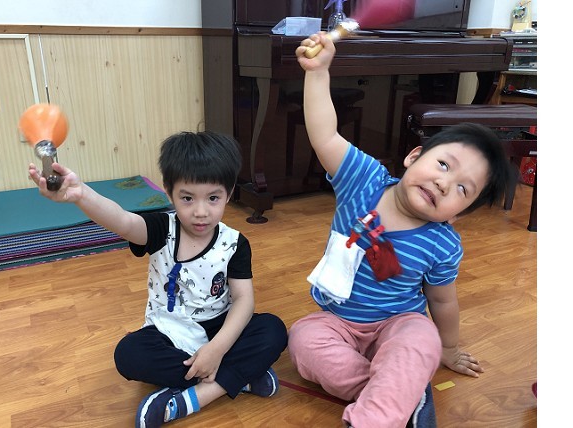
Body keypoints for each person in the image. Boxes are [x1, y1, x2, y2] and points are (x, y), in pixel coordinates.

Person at [289, 33, 517, 427]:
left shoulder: (443, 243)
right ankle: (399, 396)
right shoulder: (363, 180)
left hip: (397, 323)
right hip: (337, 321)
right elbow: (325, 135)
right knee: (303, 340)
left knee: (421, 339)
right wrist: (318, 72)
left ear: (459, 214)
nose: (444, 183)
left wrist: (448, 348)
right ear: (414, 156)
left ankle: (375, 415)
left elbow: (442, 301)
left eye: (462, 189)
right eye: (443, 165)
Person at [28, 131, 288, 428]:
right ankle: (238, 377)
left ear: (228, 194)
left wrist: (216, 349)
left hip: (220, 328)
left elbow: (243, 300)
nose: (200, 212)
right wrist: (82, 194)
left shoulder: (235, 243)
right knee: (129, 355)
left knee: (273, 330)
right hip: (170, 330)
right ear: (169, 192)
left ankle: (196, 396)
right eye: (187, 198)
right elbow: (123, 221)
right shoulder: (161, 228)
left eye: (213, 198)